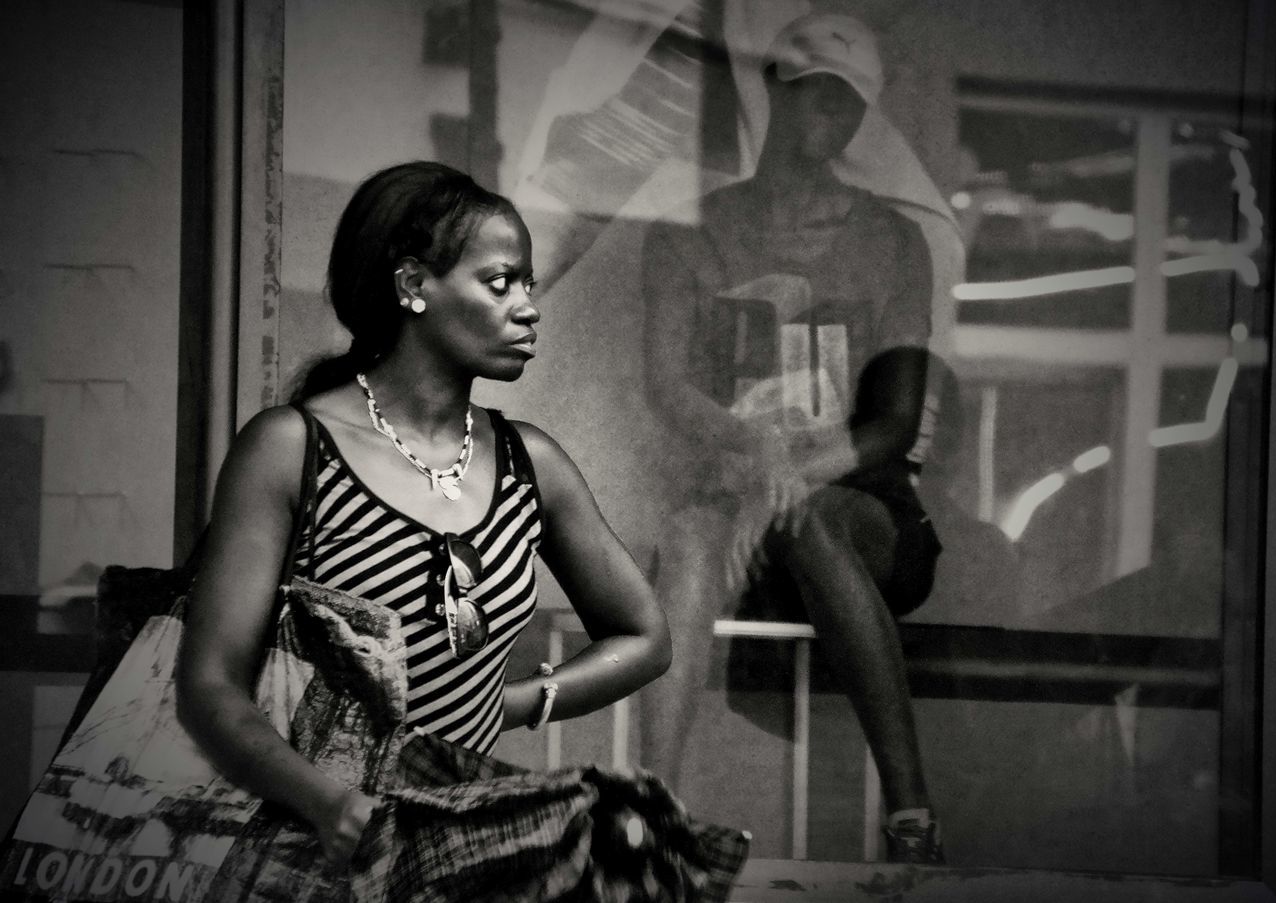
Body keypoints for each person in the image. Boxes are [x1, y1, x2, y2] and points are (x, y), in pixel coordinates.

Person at [175, 162, 674, 872]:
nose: (528, 306)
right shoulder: (293, 449)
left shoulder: (531, 464)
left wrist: (514, 702)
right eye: (501, 282)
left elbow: (647, 637)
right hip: (297, 851)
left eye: (529, 284)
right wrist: (325, 801)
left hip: (445, 852)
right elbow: (209, 683)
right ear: (413, 286)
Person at [637, 13, 945, 864]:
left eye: (852, 104)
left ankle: (913, 820)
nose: (835, 117)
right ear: (774, 81)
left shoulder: (893, 241)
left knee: (810, 520)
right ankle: (650, 813)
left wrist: (791, 476)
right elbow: (665, 385)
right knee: (687, 535)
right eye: (819, 94)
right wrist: (756, 453)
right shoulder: (689, 231)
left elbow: (892, 423)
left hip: (859, 514)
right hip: (735, 503)